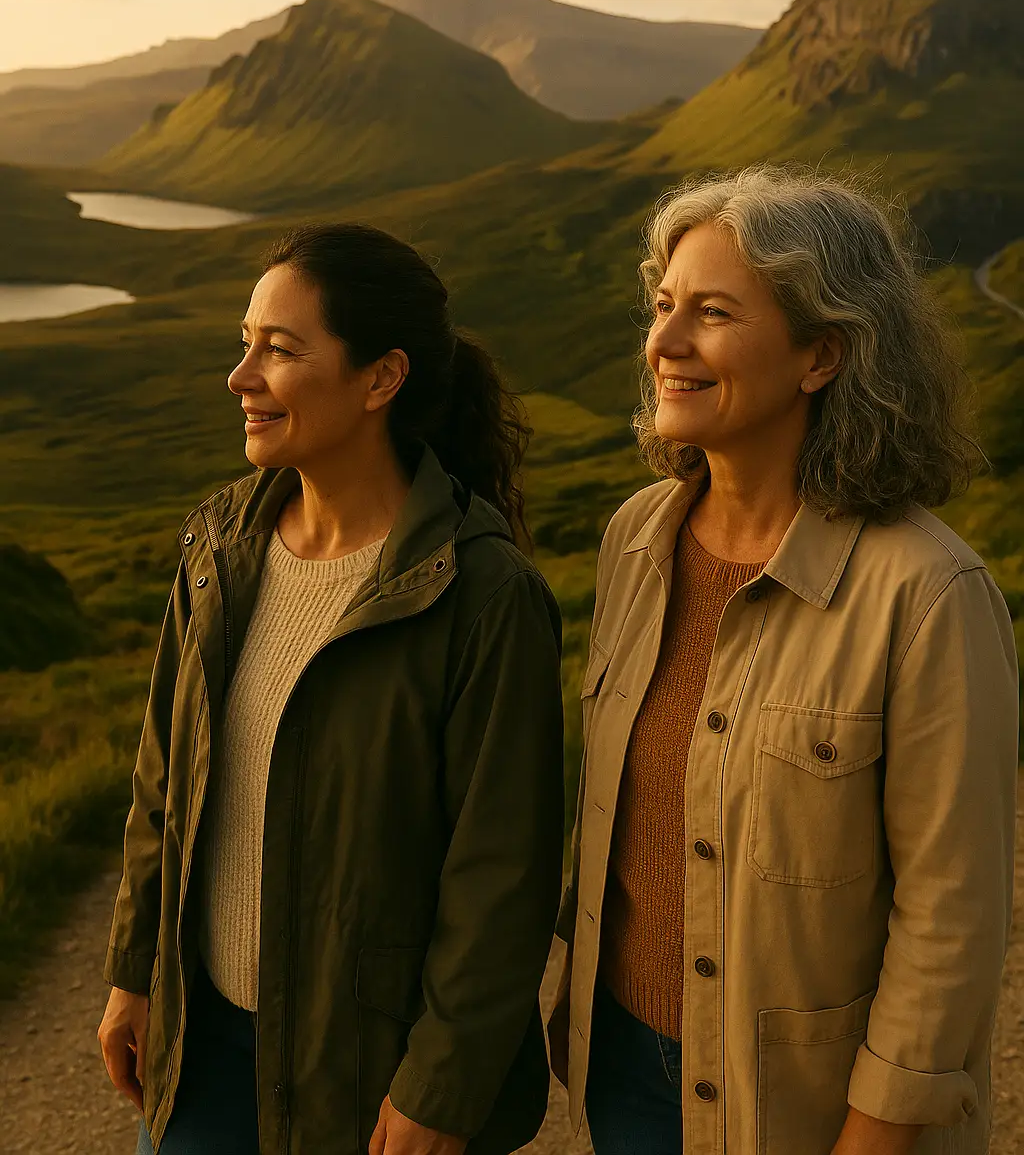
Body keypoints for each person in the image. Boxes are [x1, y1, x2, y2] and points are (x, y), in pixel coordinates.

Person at [549, 165, 1018, 1155]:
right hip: (626, 1071)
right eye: (664, 305)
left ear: (820, 355)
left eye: (711, 314)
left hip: (805, 1113)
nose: (663, 344)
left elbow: (949, 919)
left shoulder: (927, 593)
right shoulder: (637, 536)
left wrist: (874, 1134)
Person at [97, 222, 565, 1155]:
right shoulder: (220, 544)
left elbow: (501, 880)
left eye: (280, 349)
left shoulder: (483, 595)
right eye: (245, 343)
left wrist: (439, 1087)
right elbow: (164, 782)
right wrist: (134, 968)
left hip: (367, 1071)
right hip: (202, 1051)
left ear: (380, 379)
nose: (241, 377)